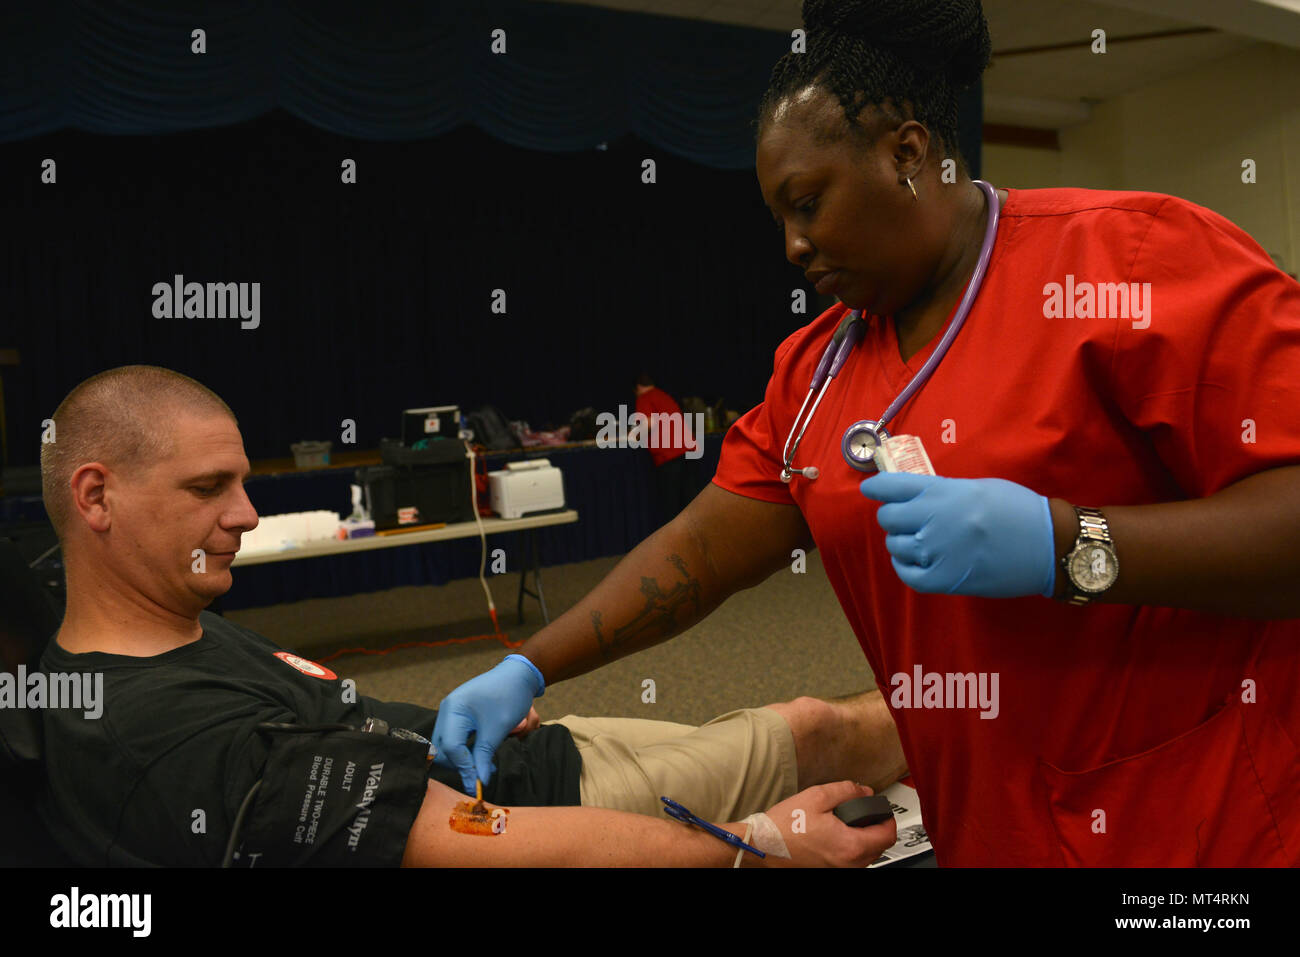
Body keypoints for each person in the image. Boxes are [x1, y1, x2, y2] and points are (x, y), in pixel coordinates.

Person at [432, 0, 1300, 866]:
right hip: (991, 825)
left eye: (807, 202)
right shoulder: (815, 374)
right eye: (778, 215)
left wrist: (1064, 544)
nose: (793, 246)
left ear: (909, 154)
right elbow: (699, 550)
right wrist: (532, 666)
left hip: (1201, 827)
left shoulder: (1128, 262)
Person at [33, 364, 903, 867]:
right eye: (207, 488)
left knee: (805, 744)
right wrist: (754, 847)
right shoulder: (168, 739)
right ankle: (1010, 718)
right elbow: (483, 848)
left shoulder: (167, 623)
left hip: (527, 756)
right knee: (813, 734)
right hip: (539, 810)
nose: (248, 513)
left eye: (242, 481)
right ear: (96, 496)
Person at [634, 373, 695, 526]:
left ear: (638, 388)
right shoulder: (664, 395)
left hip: (669, 455)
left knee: (671, 505)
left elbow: (648, 423)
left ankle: (674, 544)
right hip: (687, 451)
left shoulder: (644, 398)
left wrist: (633, 434)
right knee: (690, 501)